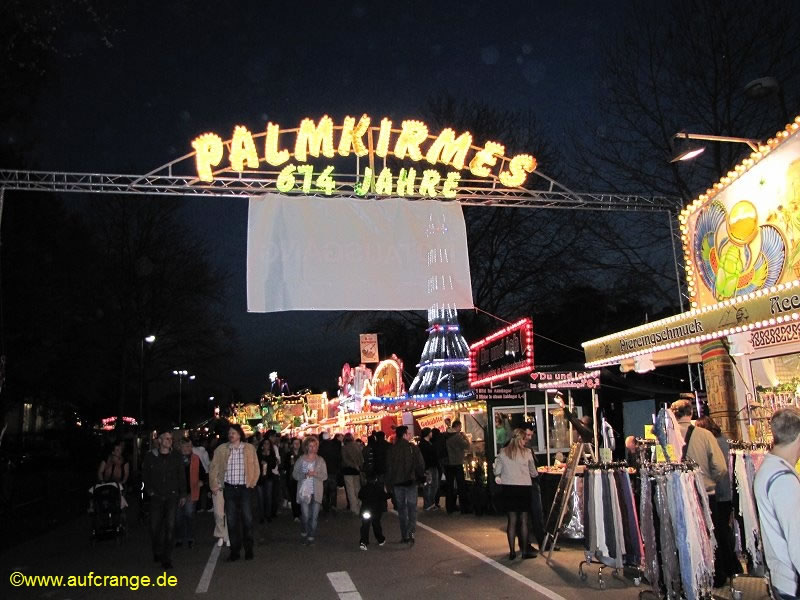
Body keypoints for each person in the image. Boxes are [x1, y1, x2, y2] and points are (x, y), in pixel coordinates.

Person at [670, 399, 729, 588]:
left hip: (678, 494)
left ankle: (687, 576)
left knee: (683, 535)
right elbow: (720, 467)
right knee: (709, 534)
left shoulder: (667, 436)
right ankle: (715, 575)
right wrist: (709, 481)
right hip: (705, 493)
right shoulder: (705, 435)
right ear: (691, 413)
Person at [754, 407, 800, 600]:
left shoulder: (770, 467)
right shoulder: (783, 478)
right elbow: (797, 540)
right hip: (792, 583)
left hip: (783, 578)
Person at [696, 416, 740, 580]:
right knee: (724, 530)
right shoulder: (725, 440)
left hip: (718, 491)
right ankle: (732, 565)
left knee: (719, 531)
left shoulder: (710, 442)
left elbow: (719, 467)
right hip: (727, 490)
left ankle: (727, 567)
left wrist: (711, 480)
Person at [209, 424, 259, 561]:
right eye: (230, 433)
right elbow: (213, 467)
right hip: (229, 488)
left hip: (245, 488)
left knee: (247, 519)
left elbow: (256, 467)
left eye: (234, 433)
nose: (231, 435)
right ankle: (235, 551)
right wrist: (213, 484)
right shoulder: (221, 449)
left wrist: (252, 483)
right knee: (231, 521)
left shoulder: (249, 448)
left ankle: (248, 549)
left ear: (240, 434)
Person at [142, 429, 186, 570]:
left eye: (170, 438)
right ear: (159, 440)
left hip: (171, 496)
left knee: (170, 527)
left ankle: (166, 558)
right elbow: (145, 475)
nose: (169, 441)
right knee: (155, 527)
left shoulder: (176, 456)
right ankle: (157, 550)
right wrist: (149, 490)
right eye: (166, 438)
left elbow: (181, 475)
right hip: (156, 497)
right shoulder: (150, 457)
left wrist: (183, 494)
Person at [494, 428, 537, 560]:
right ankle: (524, 551)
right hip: (524, 488)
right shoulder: (527, 452)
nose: (526, 441)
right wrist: (534, 474)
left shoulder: (503, 452)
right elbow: (533, 472)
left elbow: (497, 470)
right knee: (524, 520)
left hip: (509, 488)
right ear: (520, 439)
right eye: (524, 439)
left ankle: (512, 551)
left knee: (511, 520)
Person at [385, 425, 425, 545]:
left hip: (397, 483)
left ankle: (404, 535)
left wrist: (389, 484)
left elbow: (389, 468)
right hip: (411, 481)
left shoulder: (392, 449)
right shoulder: (412, 448)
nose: (410, 435)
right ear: (404, 435)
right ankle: (411, 532)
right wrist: (421, 476)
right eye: (408, 433)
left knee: (401, 509)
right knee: (412, 508)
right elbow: (420, 464)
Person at [292, 435, 327, 545]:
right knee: (306, 516)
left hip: (316, 492)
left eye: (314, 446)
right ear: (306, 447)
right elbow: (295, 474)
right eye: (310, 446)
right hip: (304, 492)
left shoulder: (320, 460)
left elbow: (324, 476)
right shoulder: (301, 460)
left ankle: (311, 536)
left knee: (314, 517)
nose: (312, 448)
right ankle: (304, 531)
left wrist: (315, 474)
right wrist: (304, 475)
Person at [522, 425, 545, 555]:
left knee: (525, 516)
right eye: (528, 435)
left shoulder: (511, 448)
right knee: (534, 514)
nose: (530, 438)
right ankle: (534, 543)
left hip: (520, 484)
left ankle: (527, 544)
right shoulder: (524, 450)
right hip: (529, 483)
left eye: (531, 435)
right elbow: (532, 469)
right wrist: (535, 475)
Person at [176, 438, 202, 548]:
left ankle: (190, 537)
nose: (188, 448)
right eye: (185, 446)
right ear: (180, 447)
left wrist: (201, 481)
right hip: (177, 492)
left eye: (189, 446)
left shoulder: (195, 458)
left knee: (189, 514)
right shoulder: (175, 459)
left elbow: (202, 473)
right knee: (178, 517)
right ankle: (179, 538)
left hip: (191, 491)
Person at [358, 473, 389, 550]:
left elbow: (360, 495)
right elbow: (384, 496)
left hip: (366, 510)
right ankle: (380, 540)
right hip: (376, 510)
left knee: (365, 525)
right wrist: (390, 494)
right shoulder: (378, 488)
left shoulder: (364, 488)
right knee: (376, 525)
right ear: (375, 479)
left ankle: (364, 542)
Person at [445, 420, 470, 514]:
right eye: (460, 426)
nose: (461, 428)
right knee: (461, 485)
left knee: (450, 485)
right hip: (457, 462)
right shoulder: (457, 436)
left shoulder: (446, 435)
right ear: (458, 426)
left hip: (448, 463)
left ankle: (450, 507)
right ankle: (464, 507)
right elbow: (467, 446)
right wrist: (465, 437)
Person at [318, 431, 342, 513]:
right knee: (333, 490)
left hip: (323, 472)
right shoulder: (334, 446)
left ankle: (325, 506)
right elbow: (338, 458)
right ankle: (333, 505)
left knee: (324, 491)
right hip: (333, 471)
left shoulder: (320, 447)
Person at [341, 433, 364, 516]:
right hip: (357, 470)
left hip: (348, 470)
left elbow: (345, 460)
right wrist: (359, 466)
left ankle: (354, 508)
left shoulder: (344, 448)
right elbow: (361, 458)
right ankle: (360, 505)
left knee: (350, 490)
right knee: (357, 488)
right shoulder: (357, 446)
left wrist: (353, 465)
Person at [257, 438, 278, 523]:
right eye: (264, 443)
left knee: (268, 497)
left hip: (269, 477)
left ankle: (268, 515)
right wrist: (261, 462)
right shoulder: (258, 453)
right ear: (262, 445)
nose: (266, 445)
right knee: (260, 497)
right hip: (259, 478)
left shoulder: (272, 453)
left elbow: (273, 465)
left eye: (268, 444)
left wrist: (268, 458)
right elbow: (255, 464)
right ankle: (261, 516)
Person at [419, 427, 439, 511]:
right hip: (428, 467)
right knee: (428, 486)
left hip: (433, 466)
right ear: (427, 433)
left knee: (434, 485)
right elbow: (424, 457)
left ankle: (431, 503)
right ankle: (428, 504)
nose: (432, 433)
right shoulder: (423, 444)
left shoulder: (429, 442)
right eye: (430, 432)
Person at [283, 438, 303, 521]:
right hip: (292, 478)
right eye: (295, 443)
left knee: (301, 495)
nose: (297, 445)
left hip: (301, 478)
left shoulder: (303, 454)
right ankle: (296, 515)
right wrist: (289, 464)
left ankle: (301, 511)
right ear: (292, 444)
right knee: (294, 496)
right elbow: (285, 466)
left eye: (298, 443)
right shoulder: (289, 454)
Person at [432, 428, 447, 509]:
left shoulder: (433, 441)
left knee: (436, 483)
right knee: (438, 483)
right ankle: (436, 501)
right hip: (443, 462)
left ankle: (435, 501)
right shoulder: (442, 439)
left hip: (437, 464)